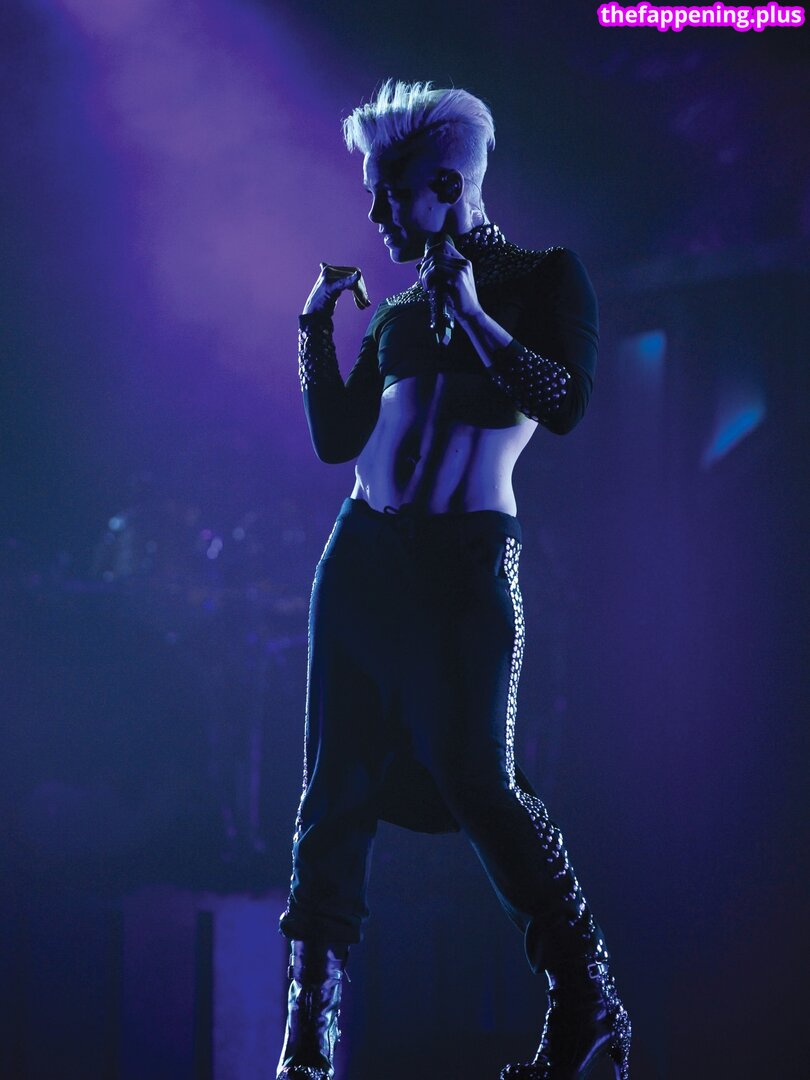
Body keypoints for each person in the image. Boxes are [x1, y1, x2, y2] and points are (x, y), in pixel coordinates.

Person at [276, 79, 631, 1080]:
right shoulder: (394, 313)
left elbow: (563, 403)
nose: (375, 214)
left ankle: (587, 999)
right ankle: (308, 1046)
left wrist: (473, 316)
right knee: (333, 789)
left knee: (481, 778)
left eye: (388, 193)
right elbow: (336, 438)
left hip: (468, 564)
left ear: (444, 185)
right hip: (361, 559)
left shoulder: (544, 279)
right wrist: (313, 332)